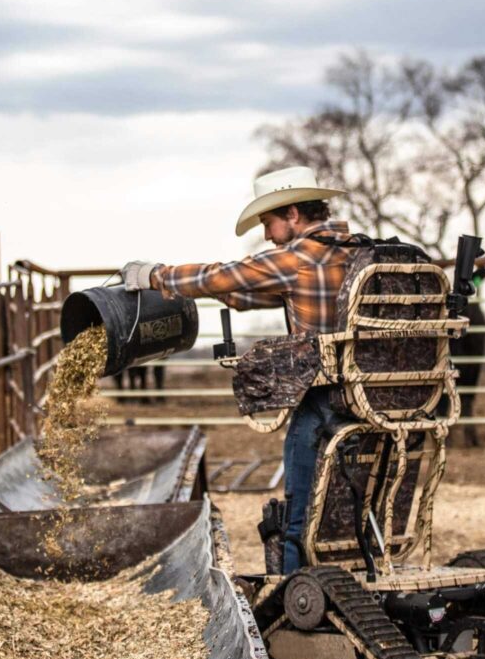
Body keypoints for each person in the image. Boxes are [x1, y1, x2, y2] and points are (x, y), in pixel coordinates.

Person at [121, 165, 356, 572]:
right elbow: (264, 293)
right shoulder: (353, 251)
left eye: (268, 222)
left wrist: (154, 276)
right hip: (369, 396)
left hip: (324, 399)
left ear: (293, 214)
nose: (267, 234)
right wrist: (233, 296)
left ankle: (291, 581)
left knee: (300, 501)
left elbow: (225, 274)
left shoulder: (299, 256)